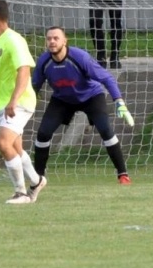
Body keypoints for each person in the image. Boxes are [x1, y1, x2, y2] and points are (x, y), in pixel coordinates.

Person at [31, 27, 135, 184]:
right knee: (43, 134)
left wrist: (119, 101)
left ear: (65, 41)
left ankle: (123, 174)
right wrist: (21, 106)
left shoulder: (80, 57)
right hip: (62, 100)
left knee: (106, 130)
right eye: (49, 38)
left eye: (56, 38)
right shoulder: (43, 61)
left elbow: (106, 78)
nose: (52, 41)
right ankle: (37, 178)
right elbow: (34, 86)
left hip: (91, 97)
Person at [0, 0, 43, 205]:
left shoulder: (14, 40)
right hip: (2, 103)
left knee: (3, 143)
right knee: (16, 148)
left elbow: (24, 71)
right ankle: (37, 181)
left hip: (20, 102)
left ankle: (21, 193)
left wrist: (13, 101)